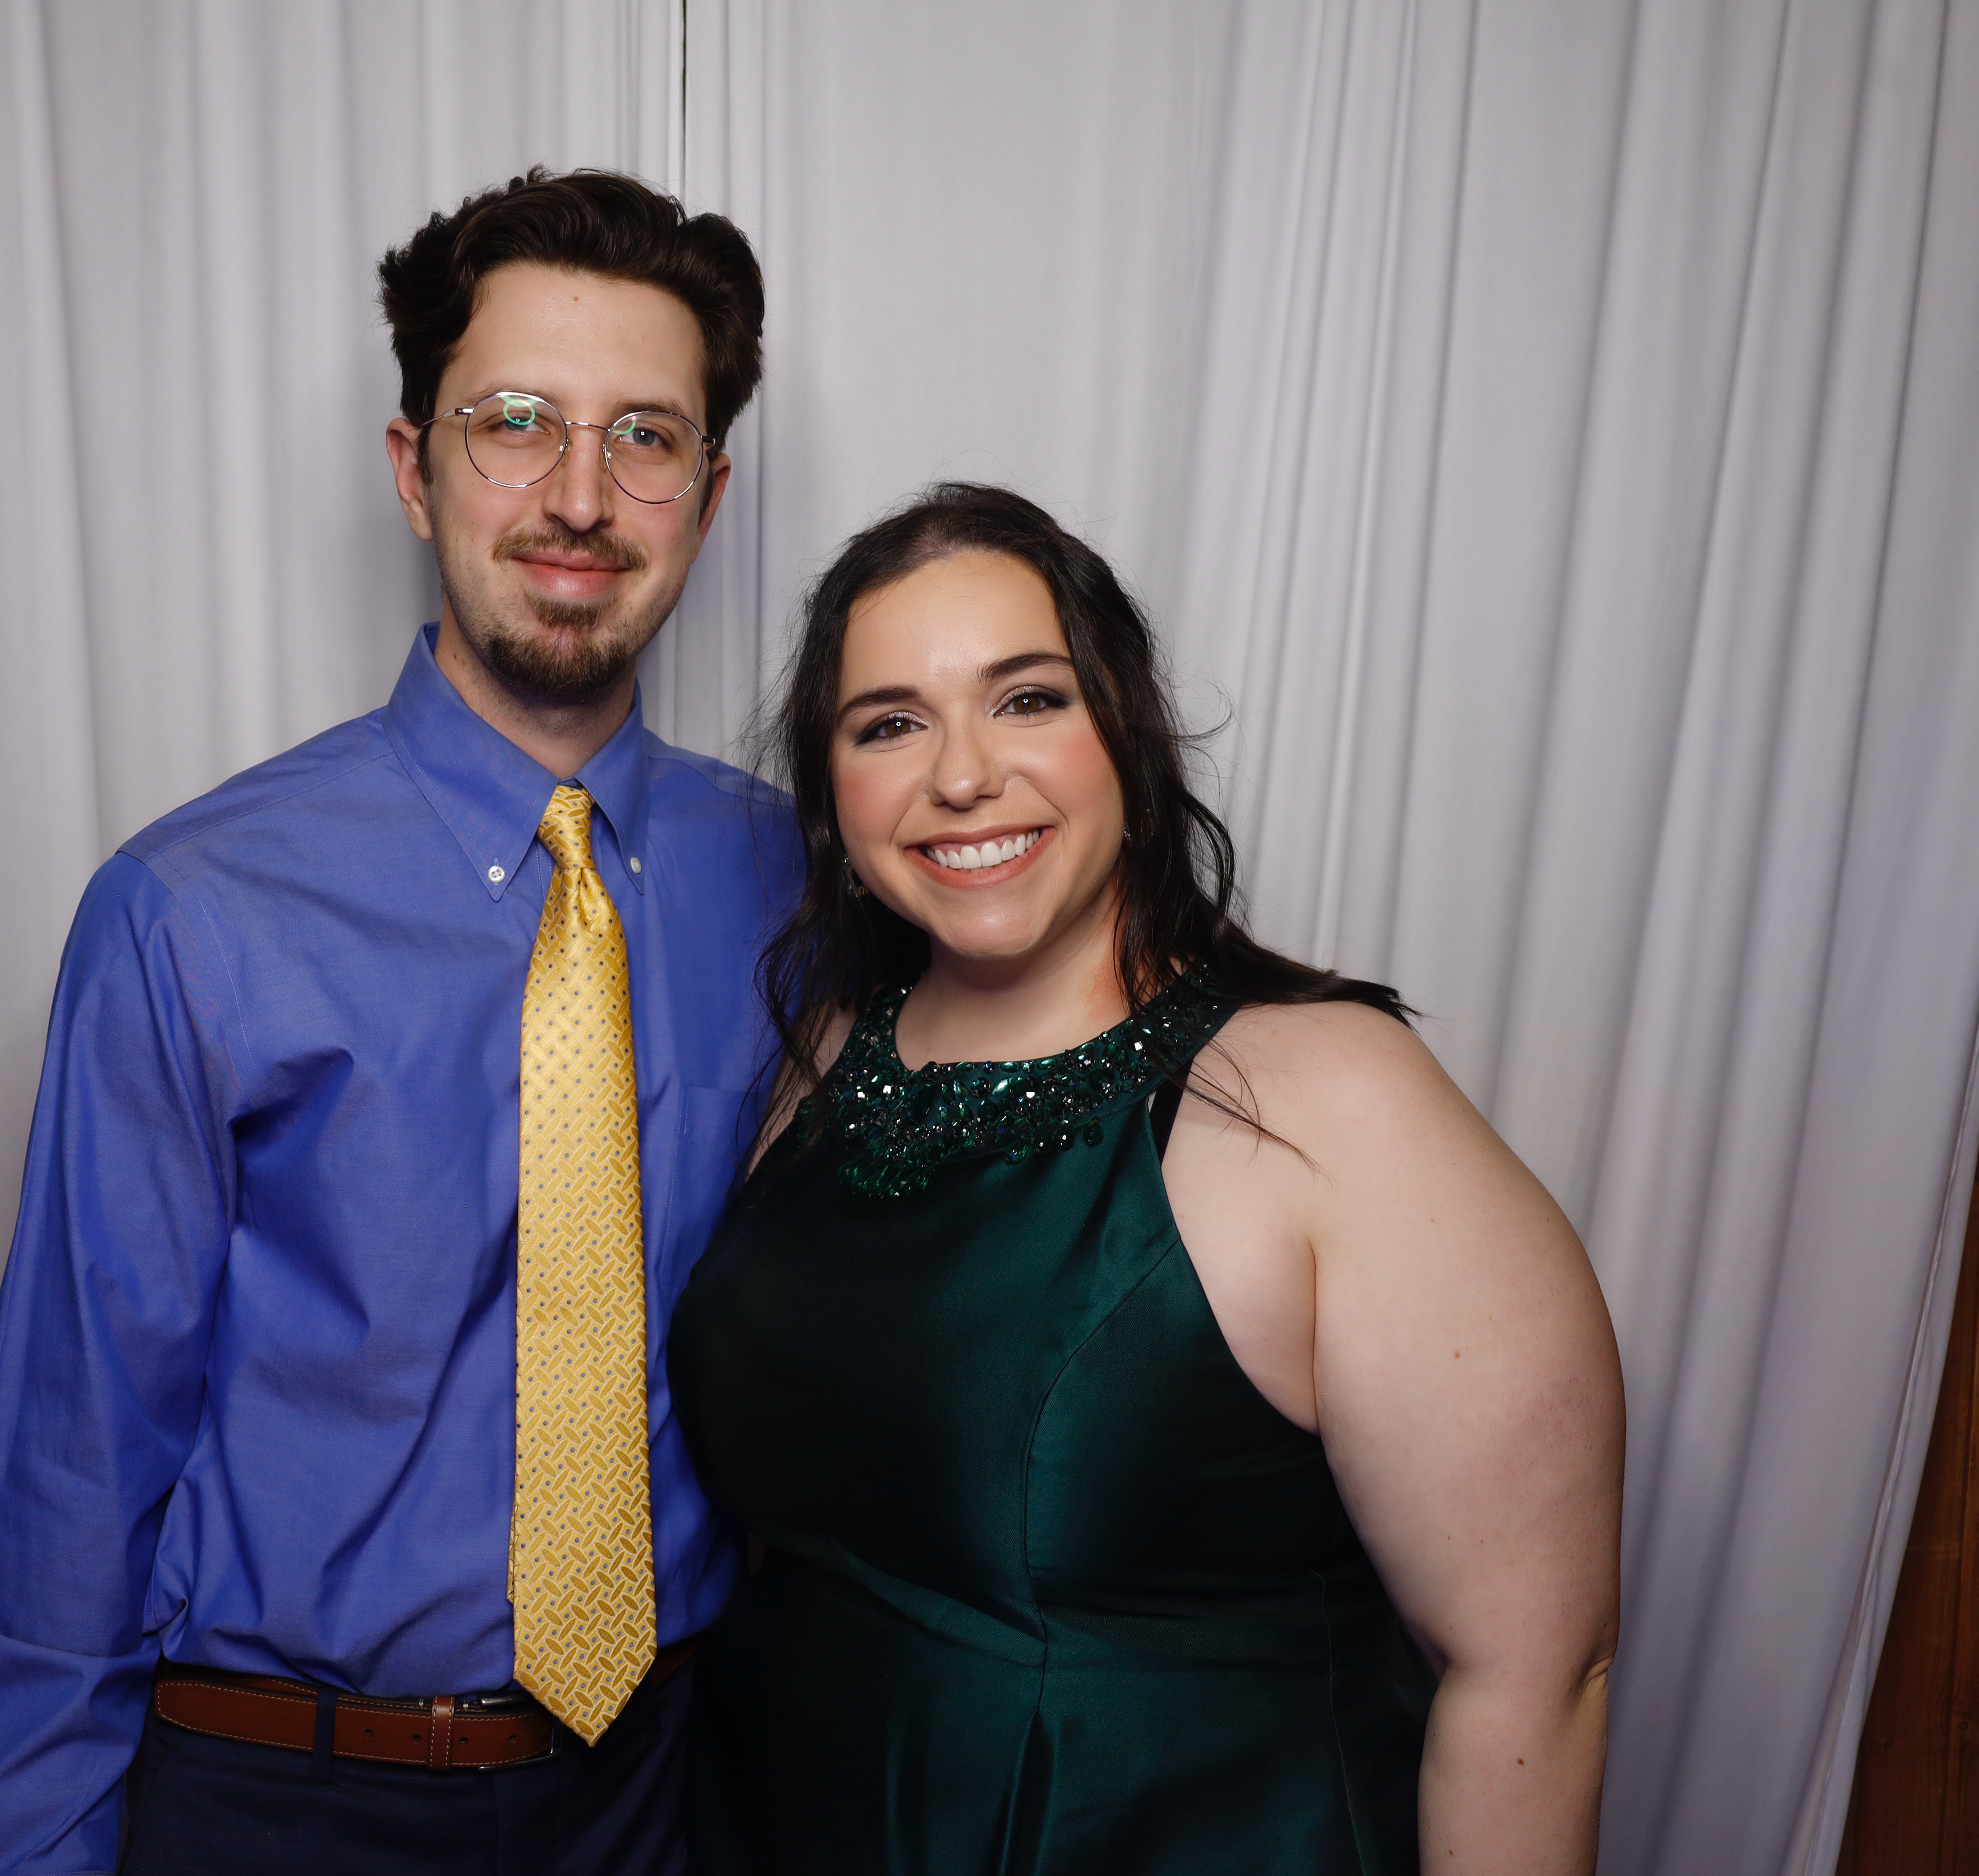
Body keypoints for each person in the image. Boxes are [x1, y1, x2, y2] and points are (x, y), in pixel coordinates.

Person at [0, 168, 795, 1876]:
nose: (579, 496)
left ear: (707, 498)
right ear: (415, 470)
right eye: (514, 424)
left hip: (671, 1789)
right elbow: (71, 1479)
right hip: (288, 1800)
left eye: (643, 438)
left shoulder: (796, 885)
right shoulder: (193, 911)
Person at [668, 483, 1625, 1875]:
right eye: (890, 724)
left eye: (1027, 699)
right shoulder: (820, 1063)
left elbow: (1535, 1674)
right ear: (835, 796)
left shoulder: (1332, 1101)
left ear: (1126, 729)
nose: (962, 776)